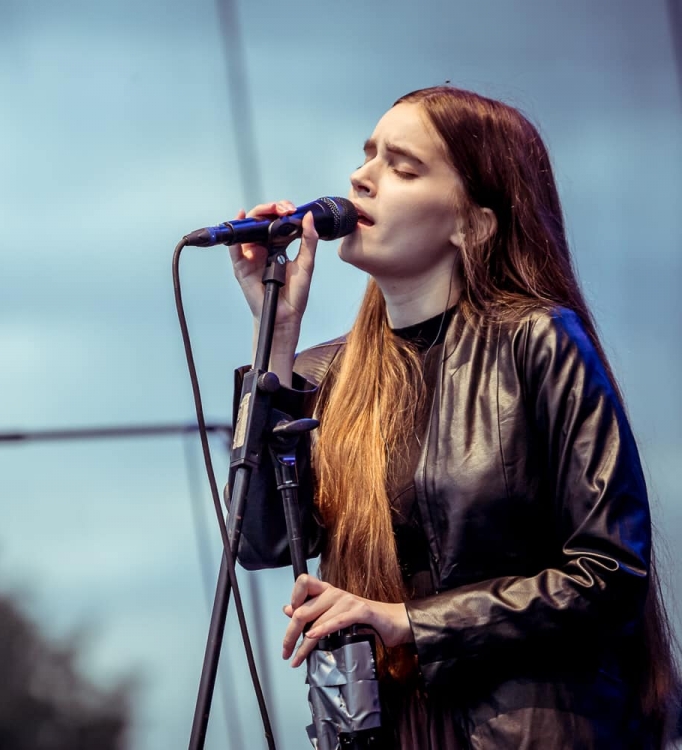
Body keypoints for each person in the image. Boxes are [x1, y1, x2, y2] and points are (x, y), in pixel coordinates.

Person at [228, 86, 677, 747]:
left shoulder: (538, 339)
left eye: (402, 167)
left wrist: (408, 621)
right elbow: (259, 543)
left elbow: (609, 574)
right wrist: (276, 342)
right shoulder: (329, 375)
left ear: (474, 224)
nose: (362, 177)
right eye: (368, 157)